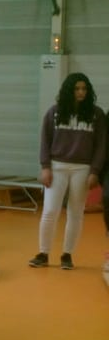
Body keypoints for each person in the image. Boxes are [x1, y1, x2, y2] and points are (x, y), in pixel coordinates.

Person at [31, 72, 105, 270]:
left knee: (76, 213)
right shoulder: (54, 112)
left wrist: (95, 171)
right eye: (77, 88)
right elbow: (45, 140)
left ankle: (67, 255)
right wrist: (45, 167)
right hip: (57, 166)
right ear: (68, 90)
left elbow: (101, 145)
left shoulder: (96, 114)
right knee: (50, 211)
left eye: (84, 89)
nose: (81, 92)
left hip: (83, 168)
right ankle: (43, 253)